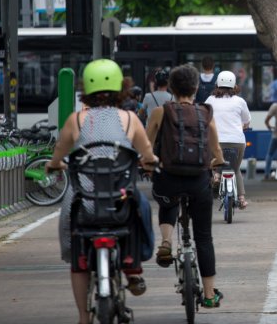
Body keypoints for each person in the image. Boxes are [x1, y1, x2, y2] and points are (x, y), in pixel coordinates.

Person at [45, 59, 158, 324]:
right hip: (120, 203)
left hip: (84, 205)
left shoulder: (76, 120)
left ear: (86, 89)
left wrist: (53, 165)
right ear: (122, 87)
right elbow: (148, 155)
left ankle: (84, 317)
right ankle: (133, 267)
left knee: (77, 254)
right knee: (142, 207)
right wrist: (150, 164)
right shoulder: (130, 119)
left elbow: (58, 154)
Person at [145, 64, 226, 309]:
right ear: (197, 87)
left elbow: (147, 147)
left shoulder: (160, 112)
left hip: (168, 177)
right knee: (203, 237)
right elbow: (217, 151)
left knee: (167, 199)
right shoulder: (206, 113)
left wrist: (149, 164)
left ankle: (166, 242)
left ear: (171, 87)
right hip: (199, 181)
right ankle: (210, 294)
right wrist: (216, 164)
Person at [206, 70, 252, 208]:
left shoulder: (210, 100)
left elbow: (205, 119)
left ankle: (216, 176)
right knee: (235, 169)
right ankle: (242, 199)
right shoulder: (240, 101)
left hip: (216, 142)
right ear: (234, 85)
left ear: (217, 84)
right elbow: (247, 121)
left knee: (214, 163)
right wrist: (242, 127)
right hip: (237, 141)